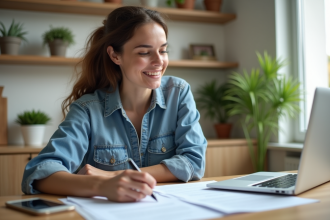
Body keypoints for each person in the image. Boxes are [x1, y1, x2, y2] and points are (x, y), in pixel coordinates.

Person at [22, 6, 207, 202]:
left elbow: (194, 161)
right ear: (115, 55)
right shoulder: (87, 109)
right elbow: (38, 173)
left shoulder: (178, 93)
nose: (159, 61)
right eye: (144, 52)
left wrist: (114, 175)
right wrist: (102, 185)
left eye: (163, 50)